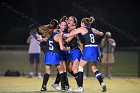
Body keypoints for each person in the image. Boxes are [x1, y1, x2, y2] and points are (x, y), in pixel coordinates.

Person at [64, 16, 106, 92]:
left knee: (80, 67)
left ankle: (80, 87)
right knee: (94, 68)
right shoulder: (92, 29)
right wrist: (96, 31)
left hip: (88, 48)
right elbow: (101, 33)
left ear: (83, 23)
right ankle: (102, 83)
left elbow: (67, 35)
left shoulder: (82, 29)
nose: (80, 24)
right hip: (96, 48)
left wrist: (61, 34)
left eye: (81, 23)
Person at [38, 19, 70, 91]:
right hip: (55, 54)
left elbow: (46, 37)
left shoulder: (48, 34)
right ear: (58, 26)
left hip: (48, 54)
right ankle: (63, 87)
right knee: (61, 71)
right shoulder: (58, 36)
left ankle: (43, 87)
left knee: (47, 72)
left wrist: (42, 39)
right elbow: (61, 48)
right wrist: (67, 49)